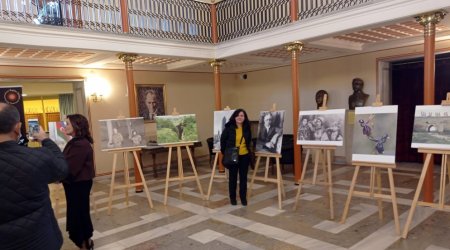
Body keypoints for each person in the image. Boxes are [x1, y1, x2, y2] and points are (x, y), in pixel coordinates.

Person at [0, 103, 68, 250]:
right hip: (41, 239)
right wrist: (45, 139)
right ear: (17, 127)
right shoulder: (36, 157)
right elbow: (61, 170)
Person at [62, 114, 95, 250]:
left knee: (79, 213)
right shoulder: (77, 141)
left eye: (68, 124)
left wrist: (58, 176)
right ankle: (83, 241)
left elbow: (70, 167)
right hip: (76, 183)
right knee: (78, 212)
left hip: (78, 184)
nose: (65, 126)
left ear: (76, 125)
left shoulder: (80, 144)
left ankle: (84, 243)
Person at [220, 109, 252, 206]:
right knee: (233, 178)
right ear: (234, 117)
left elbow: (249, 140)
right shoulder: (229, 128)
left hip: (244, 156)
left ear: (244, 117)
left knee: (243, 178)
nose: (239, 117)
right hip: (233, 156)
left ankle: (243, 198)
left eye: (242, 115)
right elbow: (223, 141)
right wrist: (226, 153)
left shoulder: (247, 128)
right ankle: (233, 198)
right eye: (237, 115)